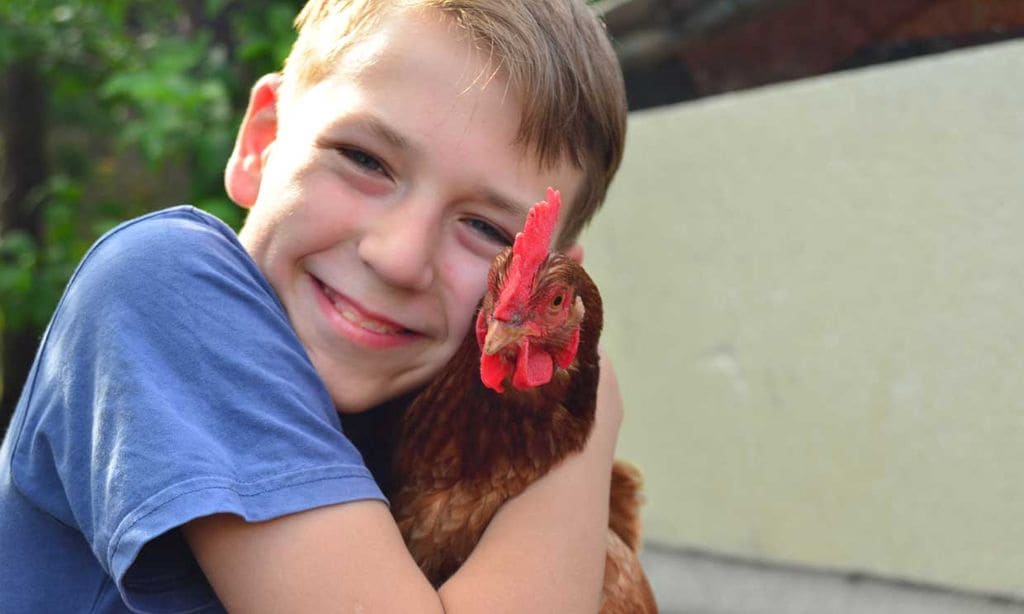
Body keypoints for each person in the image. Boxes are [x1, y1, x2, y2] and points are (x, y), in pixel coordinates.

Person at [0, 0, 628, 611]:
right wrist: (585, 416)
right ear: (262, 141)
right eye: (365, 159)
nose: (399, 257)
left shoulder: (423, 431)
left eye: (489, 229)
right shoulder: (165, 288)